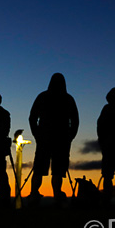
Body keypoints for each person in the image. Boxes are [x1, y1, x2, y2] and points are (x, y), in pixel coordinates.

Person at [28, 72, 79, 201]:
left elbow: (33, 118)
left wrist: (37, 134)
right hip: (58, 139)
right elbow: (75, 120)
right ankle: (51, 196)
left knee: (44, 169)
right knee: (55, 170)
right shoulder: (68, 98)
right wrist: (69, 136)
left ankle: (35, 195)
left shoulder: (43, 96)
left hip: (50, 139)